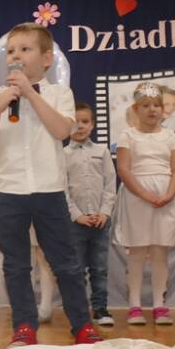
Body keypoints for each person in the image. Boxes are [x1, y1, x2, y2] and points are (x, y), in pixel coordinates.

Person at [0, 22, 102, 346]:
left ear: (46, 59)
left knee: (66, 263)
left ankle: (82, 325)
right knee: (16, 265)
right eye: (10, 51)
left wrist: (30, 94)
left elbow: (62, 131)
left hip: (49, 191)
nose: (15, 56)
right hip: (8, 192)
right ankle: (24, 326)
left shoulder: (60, 93)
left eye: (25, 49)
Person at [113, 82, 175, 326]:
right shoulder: (128, 136)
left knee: (160, 252)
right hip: (137, 197)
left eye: (156, 105)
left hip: (166, 196)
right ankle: (134, 305)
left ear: (163, 109)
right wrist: (145, 194)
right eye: (146, 105)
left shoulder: (171, 137)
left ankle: (159, 305)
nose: (152, 110)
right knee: (137, 251)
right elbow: (124, 169)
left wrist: (169, 194)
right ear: (136, 109)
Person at [65, 102, 117, 327]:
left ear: (93, 125)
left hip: (99, 221)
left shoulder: (101, 151)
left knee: (99, 268)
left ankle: (100, 308)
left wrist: (104, 212)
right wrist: (77, 215)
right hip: (75, 222)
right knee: (76, 269)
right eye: (75, 122)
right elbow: (62, 189)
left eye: (85, 121)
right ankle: (79, 310)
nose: (80, 126)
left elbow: (110, 184)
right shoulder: (63, 154)